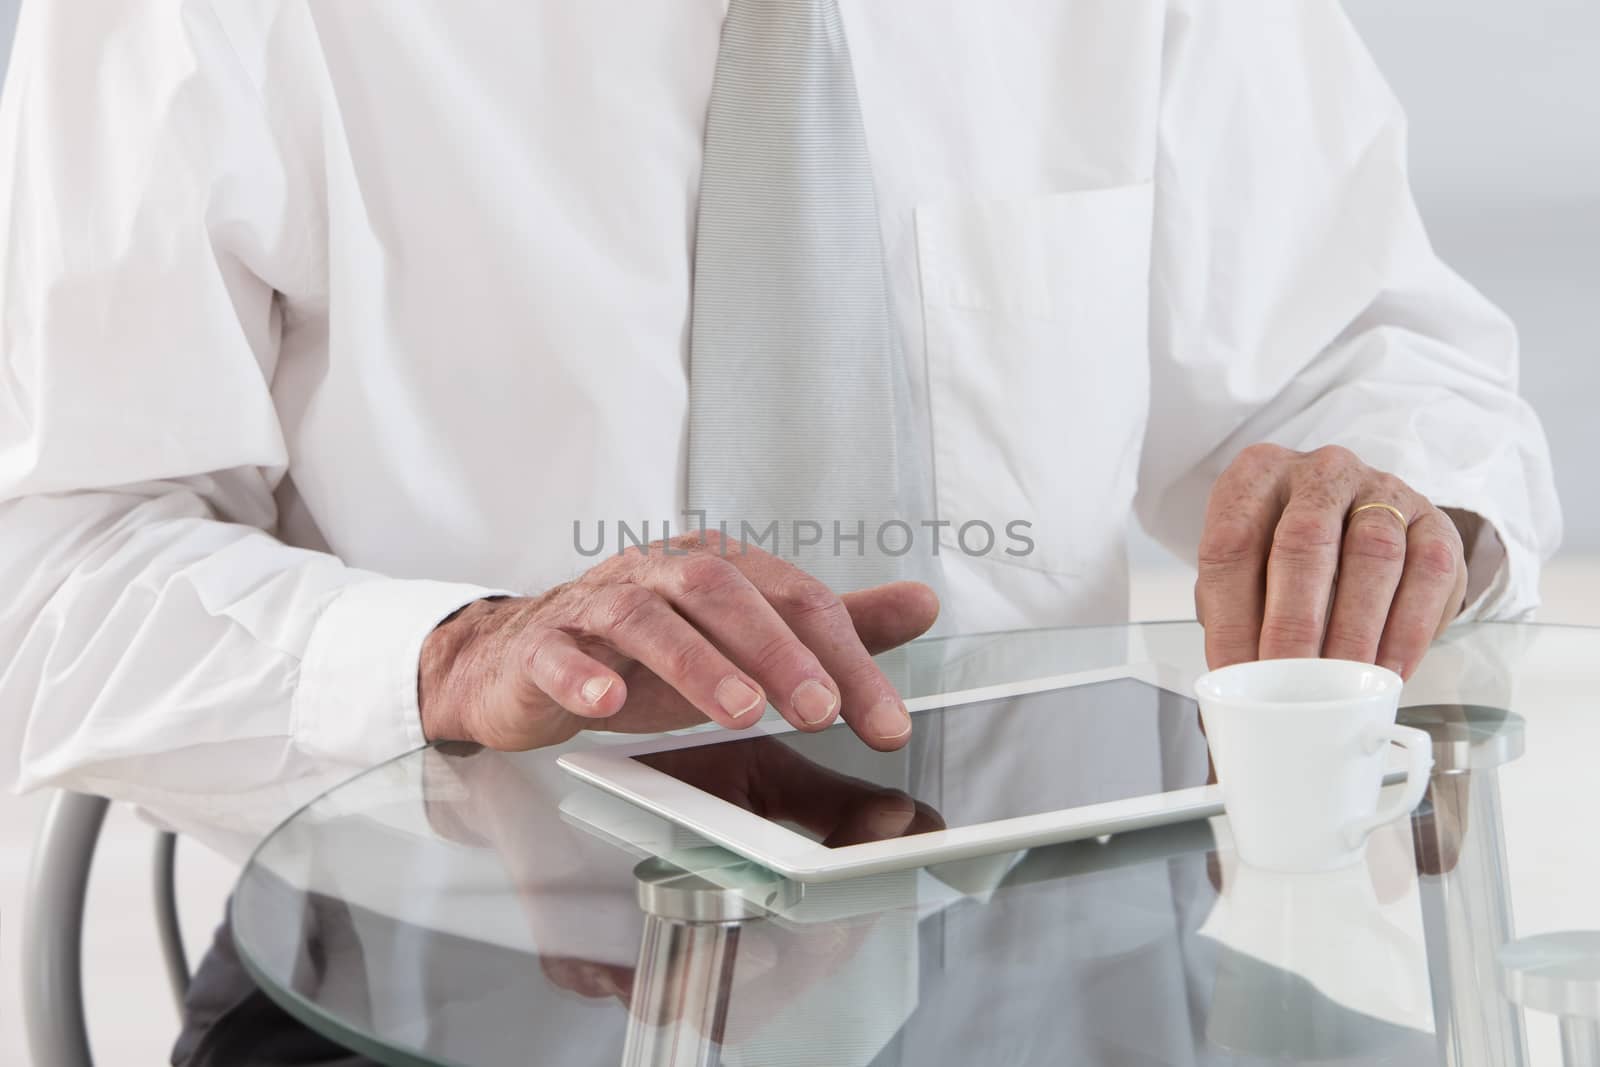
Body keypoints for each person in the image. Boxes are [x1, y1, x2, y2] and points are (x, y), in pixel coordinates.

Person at [0, 0, 1561, 1063]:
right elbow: (49, 574)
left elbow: (1376, 355)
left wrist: (1395, 501)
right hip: (438, 991)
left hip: (1076, 976)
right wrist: (449, 658)